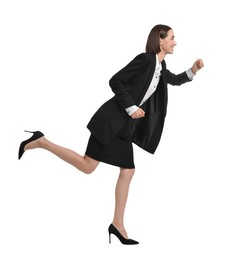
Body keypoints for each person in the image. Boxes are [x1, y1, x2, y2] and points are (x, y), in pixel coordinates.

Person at [18, 24, 204, 245]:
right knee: (91, 167)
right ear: (160, 40)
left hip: (124, 128)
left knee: (125, 170)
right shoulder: (145, 60)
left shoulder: (160, 67)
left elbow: (172, 80)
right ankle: (41, 141)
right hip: (111, 122)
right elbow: (115, 80)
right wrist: (131, 107)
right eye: (172, 38)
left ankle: (117, 224)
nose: (175, 42)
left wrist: (193, 70)